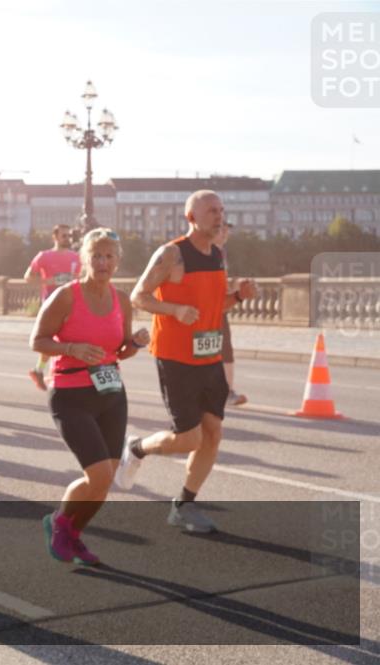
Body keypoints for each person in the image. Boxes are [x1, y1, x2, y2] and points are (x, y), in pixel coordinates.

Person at [116, 190, 257, 532]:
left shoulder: (217, 255)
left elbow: (212, 306)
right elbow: (139, 296)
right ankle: (136, 447)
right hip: (176, 356)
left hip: (209, 356)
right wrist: (174, 309)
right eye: (211, 210)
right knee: (189, 438)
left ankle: (183, 505)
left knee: (213, 434)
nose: (219, 215)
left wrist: (238, 296)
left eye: (221, 210)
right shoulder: (172, 254)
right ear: (191, 216)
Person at [31, 228, 149, 565]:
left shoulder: (121, 300)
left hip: (111, 393)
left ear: (117, 261)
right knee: (96, 475)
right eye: (96, 255)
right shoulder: (67, 296)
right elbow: (37, 340)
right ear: (85, 259)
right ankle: (59, 522)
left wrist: (137, 343)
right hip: (70, 395)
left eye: (109, 256)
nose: (103, 262)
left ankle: (73, 535)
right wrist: (71, 348)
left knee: (106, 480)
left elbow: (122, 350)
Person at [25, 224, 80, 390]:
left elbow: (80, 277)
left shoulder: (76, 257)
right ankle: (46, 372)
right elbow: (28, 277)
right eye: (63, 235)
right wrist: (46, 281)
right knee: (51, 340)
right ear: (55, 237)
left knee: (68, 338)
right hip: (50, 302)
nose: (67, 239)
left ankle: (44, 371)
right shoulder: (44, 256)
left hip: (71, 302)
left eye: (69, 235)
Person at [214, 223, 247, 406]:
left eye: (227, 230)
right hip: (208, 308)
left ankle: (227, 391)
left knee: (224, 348)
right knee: (213, 349)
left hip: (219, 307)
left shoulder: (221, 252)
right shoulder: (207, 250)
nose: (226, 233)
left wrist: (233, 287)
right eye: (222, 229)